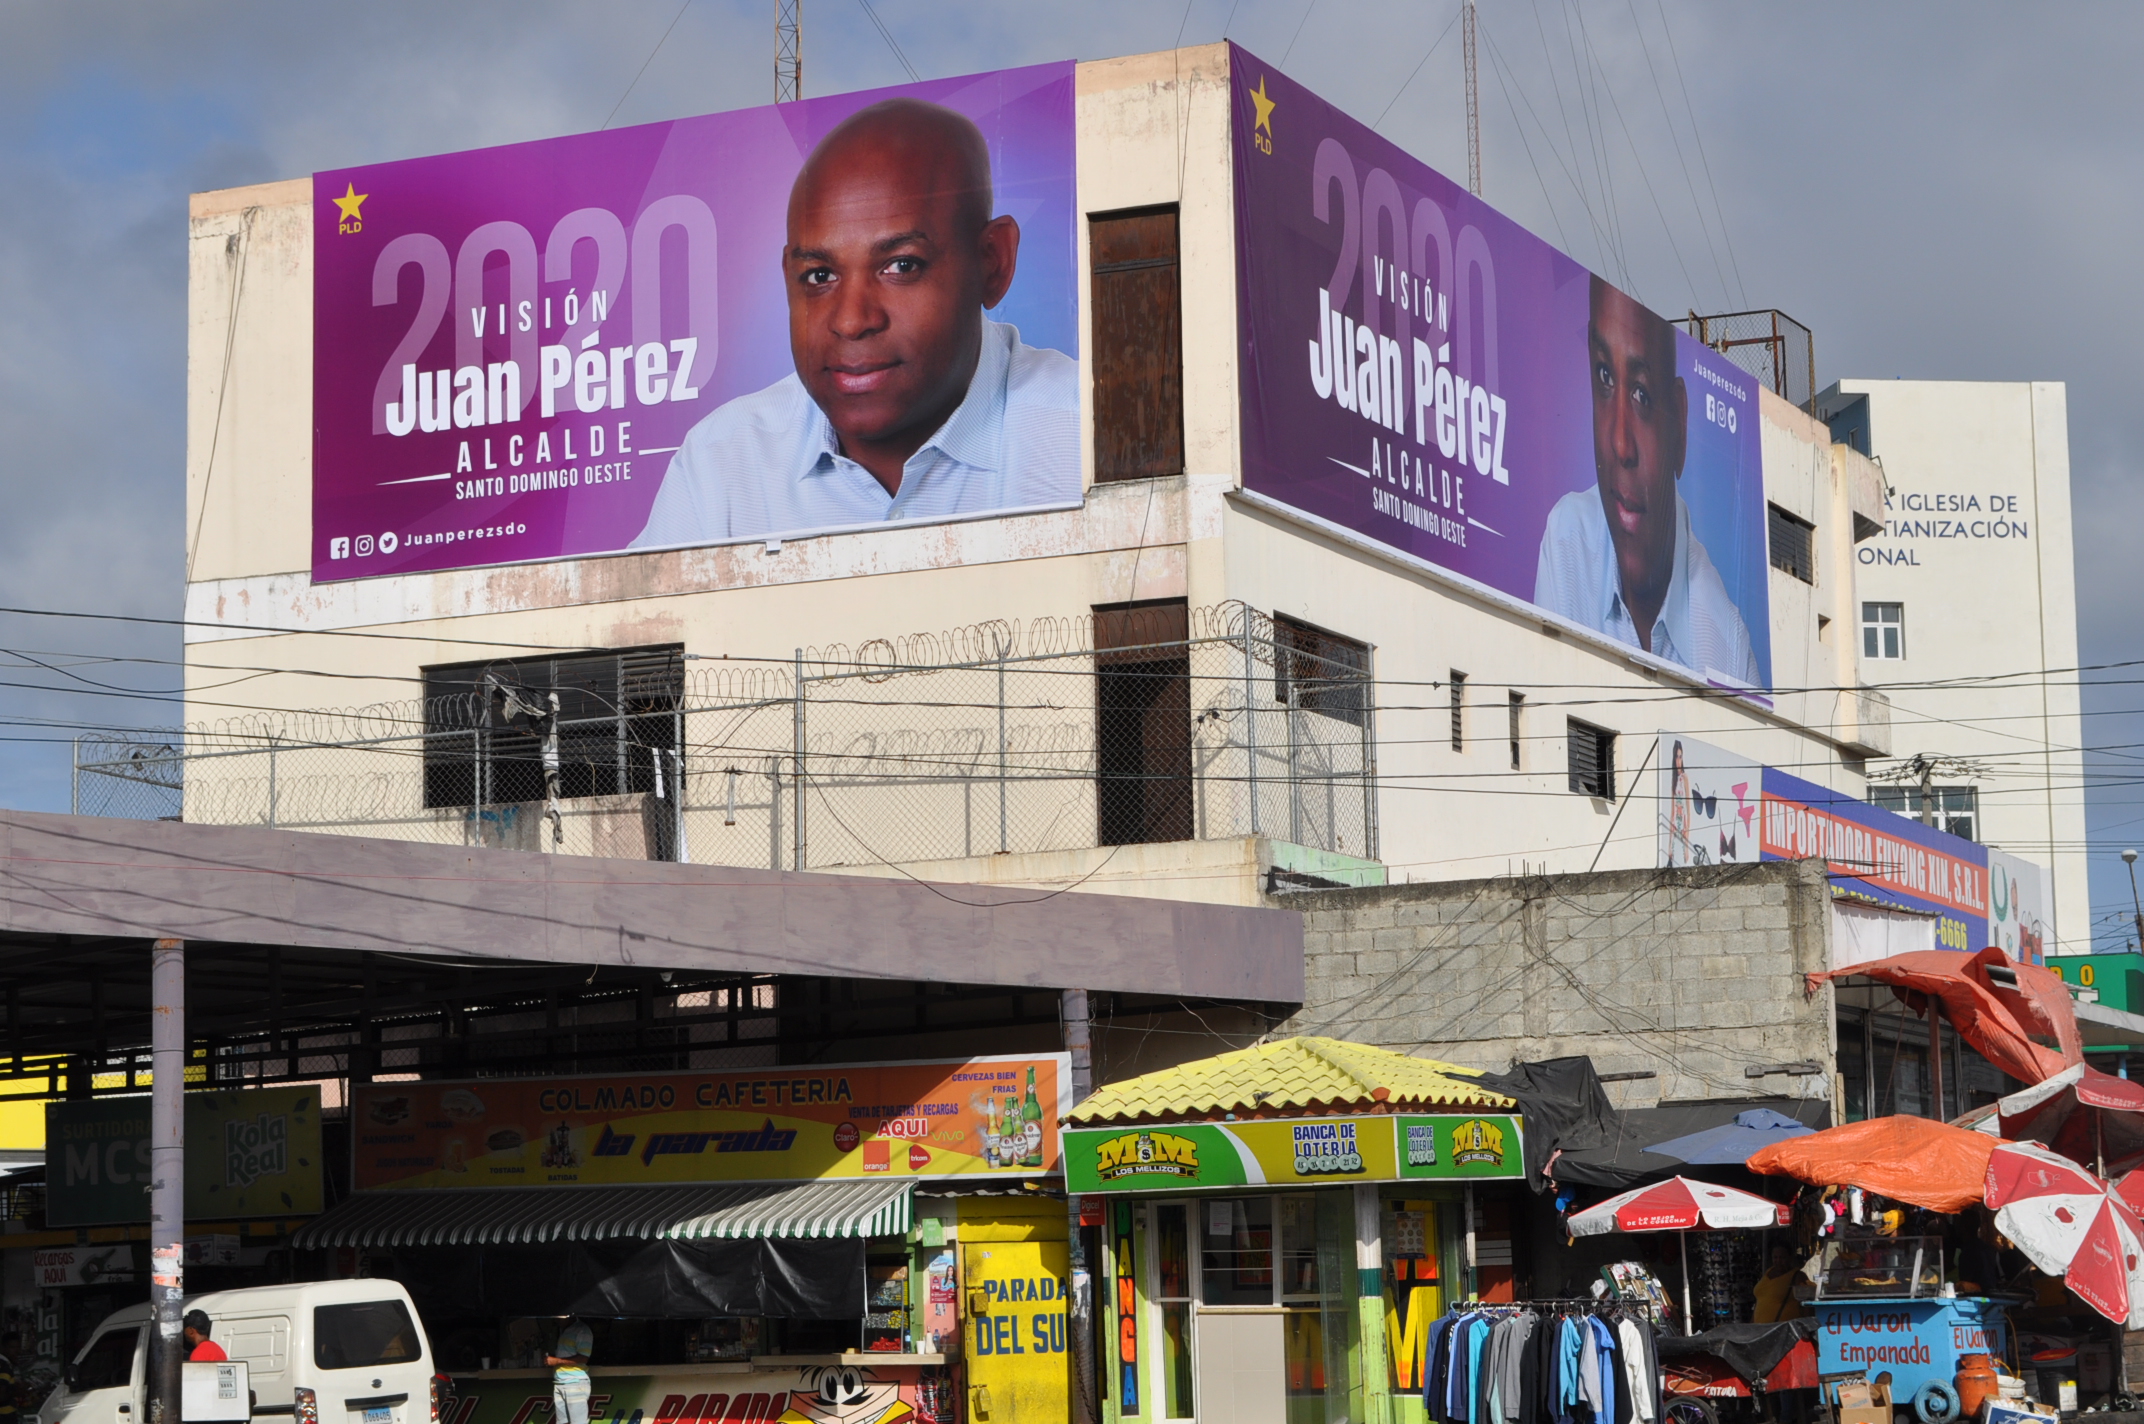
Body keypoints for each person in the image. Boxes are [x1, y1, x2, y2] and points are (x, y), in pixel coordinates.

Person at [632, 97, 1078, 548]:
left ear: (992, 263)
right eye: (820, 276)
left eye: (902, 266)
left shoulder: (1084, 438)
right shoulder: (721, 467)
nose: (851, 321)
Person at [1534, 275, 1760, 686]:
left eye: (1641, 395)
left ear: (1679, 424)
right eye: (1603, 376)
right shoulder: (1568, 542)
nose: (1620, 445)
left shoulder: (1725, 643)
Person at [546, 1319, 593, 1424]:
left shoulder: (582, 1330)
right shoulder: (566, 1331)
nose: (557, 1319)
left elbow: (584, 1358)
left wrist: (557, 1361)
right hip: (560, 1382)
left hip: (575, 1382)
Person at [1751, 1246, 1808, 1323]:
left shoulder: (1797, 1276)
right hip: (1760, 1330)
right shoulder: (1768, 1272)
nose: (1778, 1261)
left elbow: (1806, 1306)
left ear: (1790, 1258)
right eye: (1775, 1257)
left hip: (1782, 1330)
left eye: (1782, 1257)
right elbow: (1760, 1301)